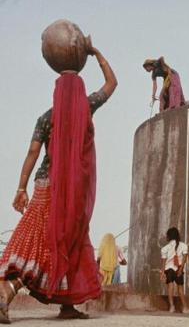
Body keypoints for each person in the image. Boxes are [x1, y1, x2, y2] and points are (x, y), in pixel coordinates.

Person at [0, 46, 117, 323]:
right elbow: (112, 84)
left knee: (48, 240)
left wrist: (21, 187)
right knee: (61, 242)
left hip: (44, 184)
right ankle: (8, 290)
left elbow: (32, 153)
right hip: (69, 190)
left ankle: (66, 305)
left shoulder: (45, 117)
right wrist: (95, 53)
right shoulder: (85, 106)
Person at [160, 227, 189, 313]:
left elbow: (163, 262)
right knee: (180, 289)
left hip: (168, 269)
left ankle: (172, 307)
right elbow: (184, 259)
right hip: (178, 269)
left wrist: (162, 273)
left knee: (170, 287)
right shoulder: (184, 245)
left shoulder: (165, 248)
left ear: (168, 237)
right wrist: (181, 269)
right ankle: (185, 308)